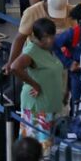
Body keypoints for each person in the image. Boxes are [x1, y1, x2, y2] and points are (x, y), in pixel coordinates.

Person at [9, 17, 66, 153]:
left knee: (49, 149)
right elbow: (15, 67)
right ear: (37, 37)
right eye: (45, 37)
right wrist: (35, 85)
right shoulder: (31, 51)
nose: (50, 40)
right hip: (37, 108)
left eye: (51, 36)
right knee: (36, 150)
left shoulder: (48, 49)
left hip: (50, 106)